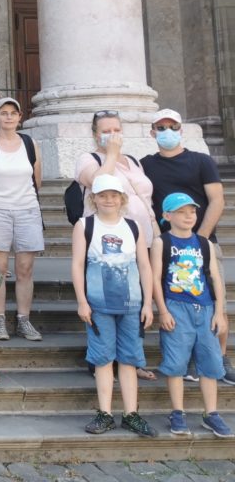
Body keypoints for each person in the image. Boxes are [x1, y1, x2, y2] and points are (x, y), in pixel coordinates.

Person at [141, 108, 233, 384]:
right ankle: (180, 359)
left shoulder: (201, 161)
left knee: (216, 300)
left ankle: (220, 358)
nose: (166, 131)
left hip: (202, 243)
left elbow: (216, 200)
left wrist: (200, 238)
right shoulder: (146, 164)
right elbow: (146, 203)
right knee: (174, 302)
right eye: (161, 127)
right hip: (166, 247)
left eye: (172, 126)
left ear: (181, 130)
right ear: (152, 132)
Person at [71, 174, 156, 437]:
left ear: (122, 198)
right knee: (103, 359)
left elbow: (144, 264)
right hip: (99, 305)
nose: (109, 199)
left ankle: (131, 413)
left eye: (113, 195)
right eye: (103, 195)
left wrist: (148, 303)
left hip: (131, 303)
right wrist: (82, 301)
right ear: (93, 198)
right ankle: (105, 413)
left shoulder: (133, 226)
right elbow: (77, 264)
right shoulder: (85, 225)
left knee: (129, 359)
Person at [151, 192, 232, 438]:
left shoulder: (204, 243)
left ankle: (212, 413)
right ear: (167, 215)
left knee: (211, 363)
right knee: (176, 364)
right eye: (181, 212)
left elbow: (215, 279)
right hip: (176, 307)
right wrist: (162, 310)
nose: (189, 216)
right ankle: (178, 412)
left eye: (192, 211)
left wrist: (219, 312)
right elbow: (155, 278)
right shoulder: (161, 242)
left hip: (205, 309)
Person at [0, 96, 44, 342]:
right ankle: (0, 319)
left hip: (27, 210)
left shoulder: (29, 143)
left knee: (25, 269)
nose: (8, 117)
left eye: (13, 113)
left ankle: (24, 320)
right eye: (3, 113)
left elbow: (37, 179)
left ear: (19, 117)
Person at [75, 110, 156, 247]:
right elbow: (97, 183)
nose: (113, 135)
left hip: (144, 234)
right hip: (111, 239)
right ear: (96, 135)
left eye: (117, 130)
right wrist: (112, 153)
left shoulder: (133, 160)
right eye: (106, 131)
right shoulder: (88, 159)